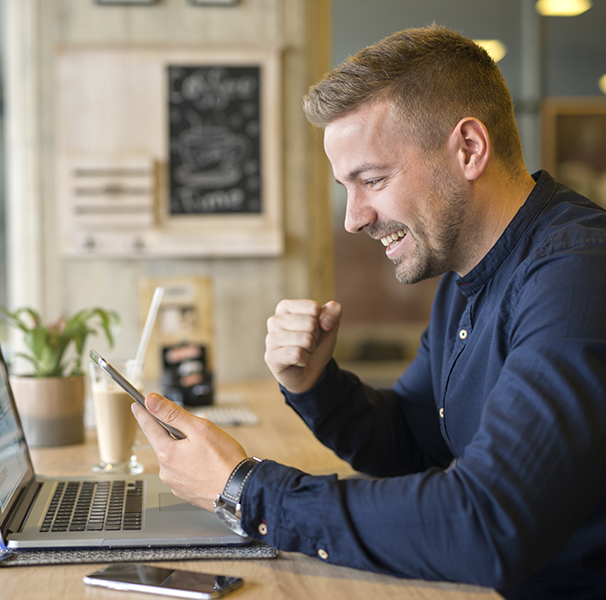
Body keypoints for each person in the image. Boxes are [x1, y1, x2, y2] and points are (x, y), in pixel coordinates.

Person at [132, 24, 606, 599]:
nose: (354, 218)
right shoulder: (466, 271)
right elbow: (414, 442)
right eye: (346, 188)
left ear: (469, 149)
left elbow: (486, 524)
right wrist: (316, 386)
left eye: (373, 180)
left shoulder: (578, 274)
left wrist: (246, 489)